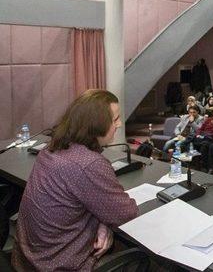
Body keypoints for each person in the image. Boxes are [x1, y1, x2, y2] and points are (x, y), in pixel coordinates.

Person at [12, 89, 138, 271]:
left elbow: (106, 209)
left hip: (27, 261)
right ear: (96, 125)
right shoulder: (88, 164)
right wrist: (107, 221)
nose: (119, 124)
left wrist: (104, 222)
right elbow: (127, 214)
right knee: (148, 260)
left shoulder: (51, 150)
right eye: (115, 119)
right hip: (59, 266)